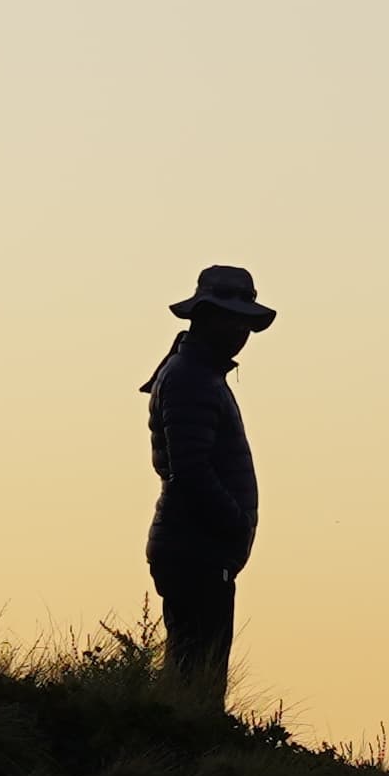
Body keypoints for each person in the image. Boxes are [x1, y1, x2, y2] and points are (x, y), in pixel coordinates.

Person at [143, 265, 274, 694]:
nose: (241, 331)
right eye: (231, 318)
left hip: (200, 547)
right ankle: (179, 753)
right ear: (204, 316)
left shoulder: (198, 376)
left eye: (246, 322)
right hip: (195, 548)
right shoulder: (190, 379)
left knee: (198, 670)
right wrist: (234, 521)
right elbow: (189, 469)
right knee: (195, 676)